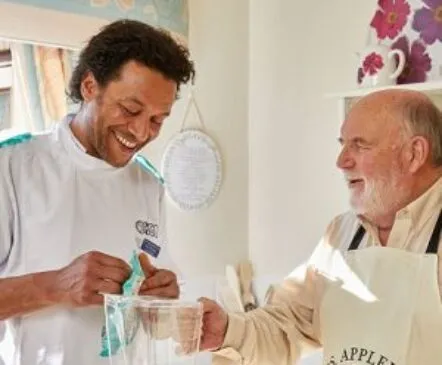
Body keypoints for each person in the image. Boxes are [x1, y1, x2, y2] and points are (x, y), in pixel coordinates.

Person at [0, 19, 195, 365]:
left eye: (156, 120)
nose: (140, 132)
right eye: (131, 110)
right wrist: (55, 285)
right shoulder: (14, 167)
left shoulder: (149, 186)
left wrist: (162, 299)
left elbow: (153, 305)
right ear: (90, 86)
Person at [199, 89, 442, 365]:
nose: (341, 161)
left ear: (414, 153)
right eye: (343, 144)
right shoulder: (342, 233)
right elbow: (287, 324)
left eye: (359, 145)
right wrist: (227, 331)